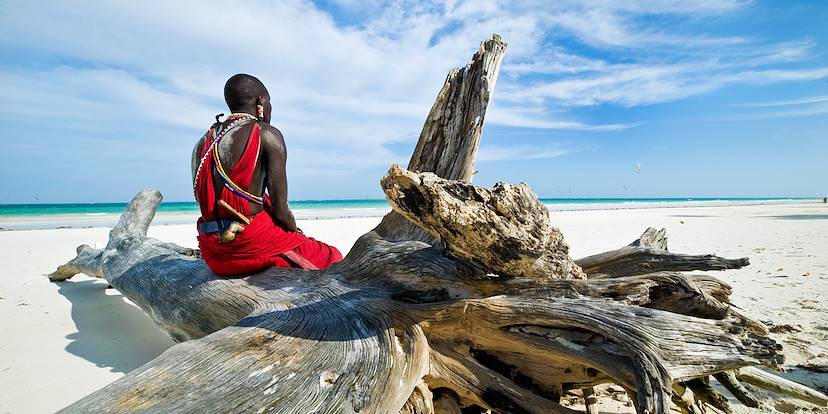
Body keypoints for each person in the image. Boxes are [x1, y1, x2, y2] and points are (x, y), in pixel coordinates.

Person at [191, 74, 342, 276]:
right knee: (332, 256)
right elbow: (281, 212)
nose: (271, 109)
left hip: (213, 252)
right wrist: (295, 234)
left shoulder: (203, 143)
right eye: (270, 102)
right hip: (247, 247)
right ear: (260, 102)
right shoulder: (266, 133)